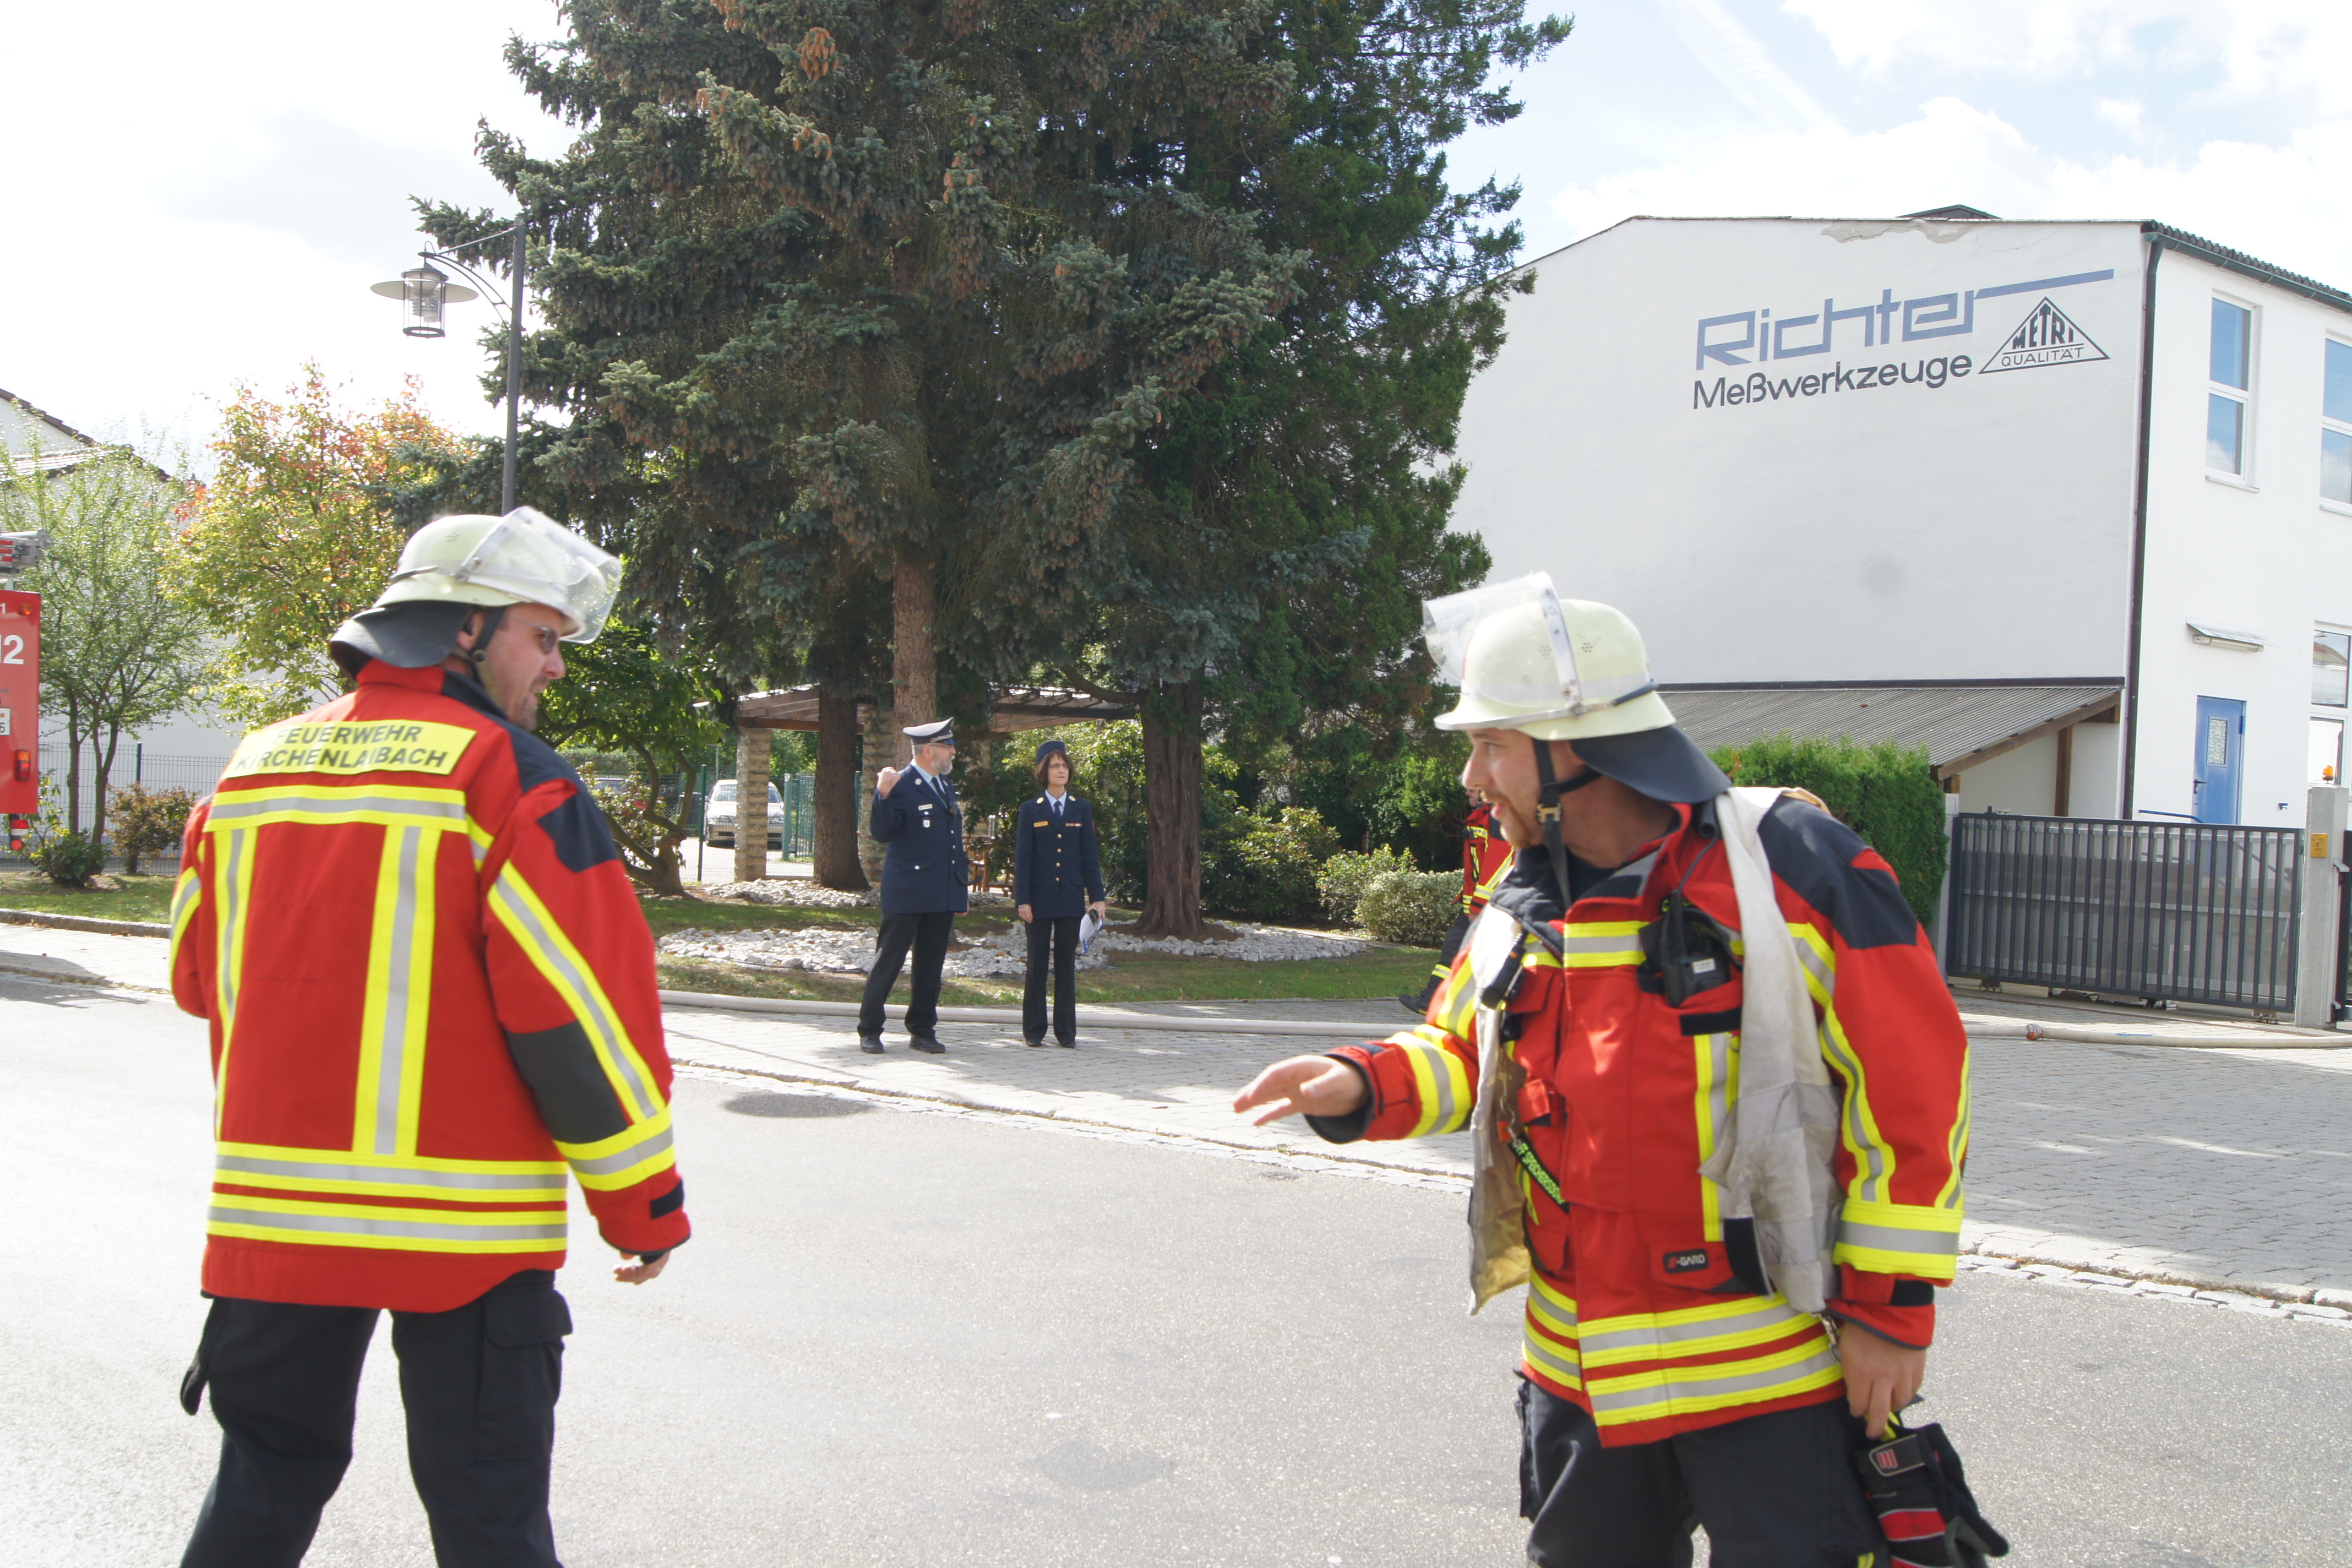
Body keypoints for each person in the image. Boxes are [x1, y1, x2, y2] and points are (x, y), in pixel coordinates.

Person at [1234, 574, 1972, 1568]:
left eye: (1492, 744)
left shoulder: (1793, 865)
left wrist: (1892, 1310)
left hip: (1771, 1377)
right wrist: (1361, 1082)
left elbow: (1912, 1090)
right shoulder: (1518, 897)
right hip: (1580, 1381)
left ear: (1578, 746)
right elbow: (1464, 1054)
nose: (1472, 778)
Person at [167, 507, 691, 1568]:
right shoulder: (512, 777)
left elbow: (192, 976)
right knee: (489, 1521)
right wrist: (643, 1204)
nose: (554, 665)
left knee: (260, 1493)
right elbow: (583, 1022)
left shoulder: (252, 769)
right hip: (466, 1236)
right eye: (541, 636)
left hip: (277, 1225)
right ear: (463, 629)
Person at [860, 717, 970, 1054]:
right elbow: (882, 833)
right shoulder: (900, 783)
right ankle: (870, 1029)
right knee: (889, 961)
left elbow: (954, 843)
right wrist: (882, 793)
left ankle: (922, 1030)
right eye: (947, 746)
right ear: (929, 750)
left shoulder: (945, 786)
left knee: (930, 966)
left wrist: (960, 890)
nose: (953, 752)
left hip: (941, 890)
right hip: (908, 890)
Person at [1012, 739, 1108, 1048]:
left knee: (1066, 966)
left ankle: (1066, 1033)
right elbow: (1023, 859)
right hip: (1038, 899)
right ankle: (1034, 1031)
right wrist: (1023, 900)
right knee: (1037, 965)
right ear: (1044, 771)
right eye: (1055, 766)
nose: (1061, 770)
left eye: (1065, 765)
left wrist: (1097, 897)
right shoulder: (1031, 809)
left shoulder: (1081, 808)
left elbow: (1089, 856)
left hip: (1069, 897)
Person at [1400, 786, 1515, 1015]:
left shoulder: (1497, 817)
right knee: (1457, 948)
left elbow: (1499, 862)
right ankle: (1435, 1000)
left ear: (1485, 790)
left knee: (1468, 950)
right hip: (1483, 904)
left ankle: (1444, 1003)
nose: (1467, 793)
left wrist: (1479, 904)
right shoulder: (1485, 817)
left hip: (1493, 905)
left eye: (1472, 789)